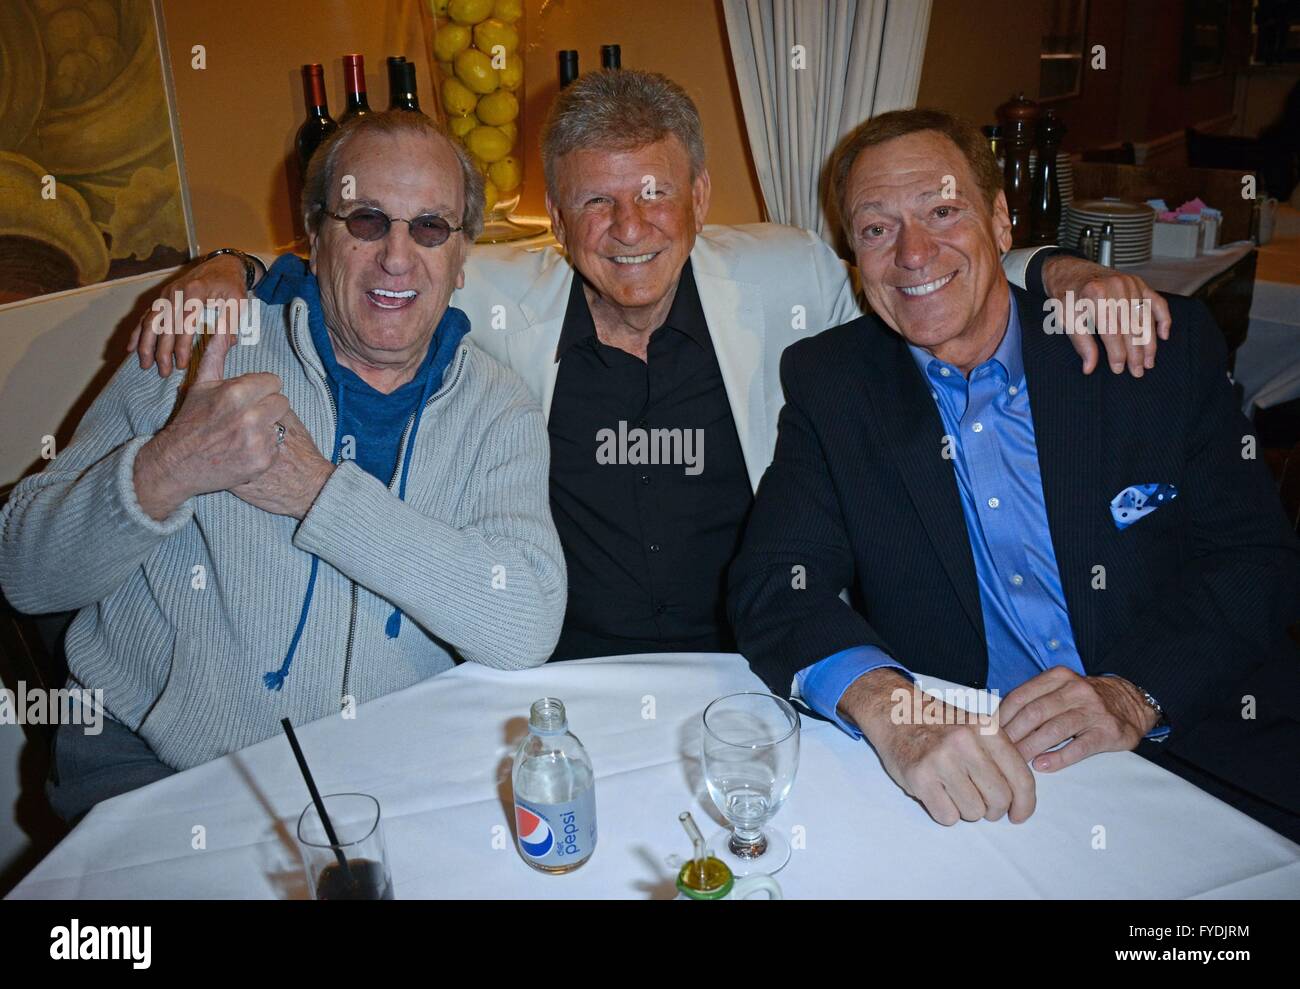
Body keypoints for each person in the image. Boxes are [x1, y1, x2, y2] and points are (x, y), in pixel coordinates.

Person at [131, 71, 1169, 662]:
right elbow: (362, 265)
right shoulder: (496, 297)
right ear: (554, 216)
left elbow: (922, 269)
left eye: (657, 195)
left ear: (701, 196)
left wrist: (1061, 270)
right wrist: (229, 269)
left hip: (752, 666)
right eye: (596, 200)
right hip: (555, 678)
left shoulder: (783, 276)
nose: (629, 228)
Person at [728, 108, 1300, 837]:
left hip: (1196, 742)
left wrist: (1133, 694)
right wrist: (891, 708)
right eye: (875, 228)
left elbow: (1255, 557)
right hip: (987, 785)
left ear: (1001, 222)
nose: (913, 253)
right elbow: (777, 582)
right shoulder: (835, 384)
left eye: (942, 211)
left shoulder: (1143, 350)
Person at [0, 111, 566, 821]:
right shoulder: (202, 345)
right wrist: (169, 466)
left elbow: (524, 626)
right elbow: (25, 573)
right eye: (366, 221)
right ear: (315, 237)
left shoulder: (499, 408)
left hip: (387, 779)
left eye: (430, 227)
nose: (397, 256)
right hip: (158, 770)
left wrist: (319, 493)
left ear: (460, 258)